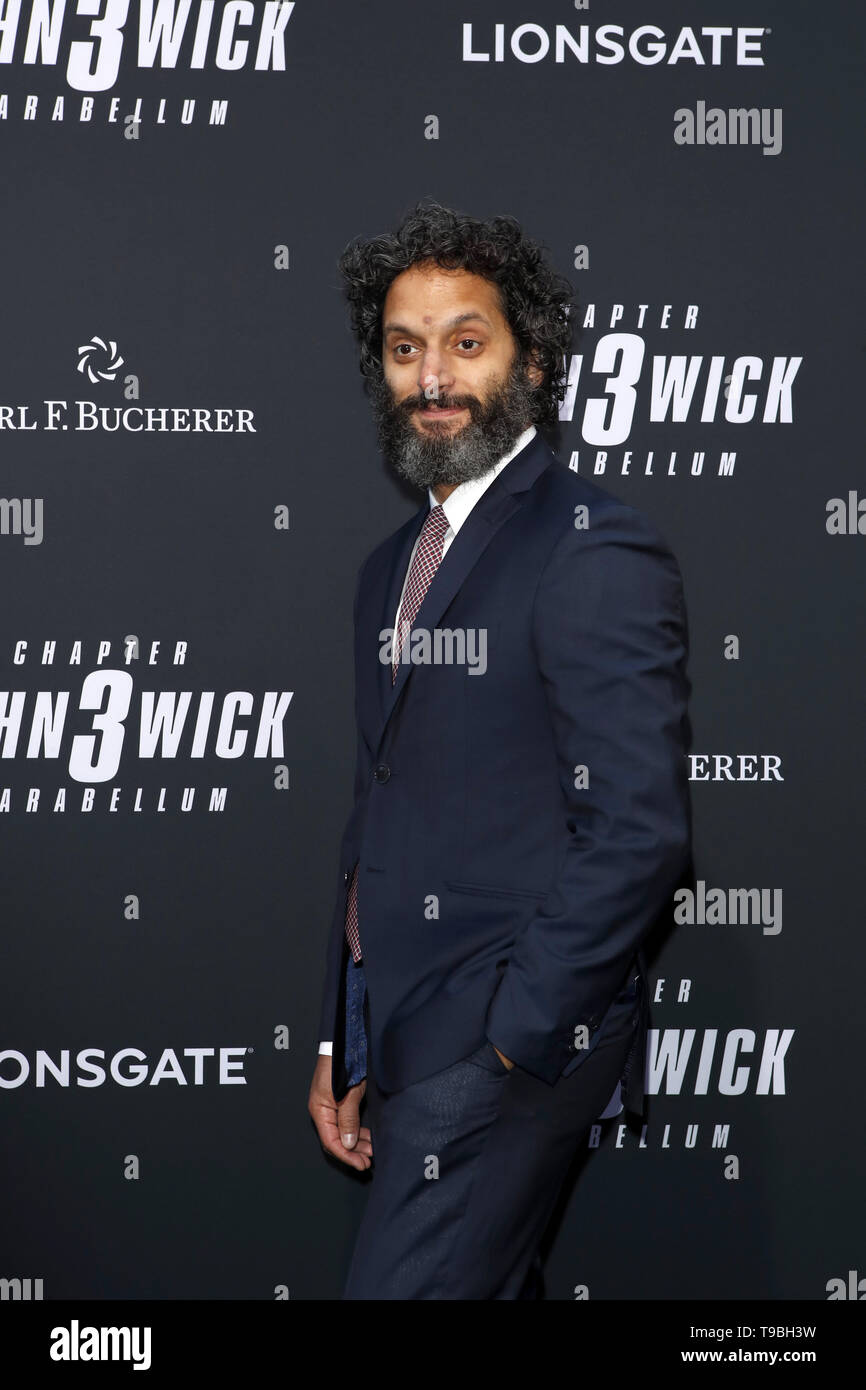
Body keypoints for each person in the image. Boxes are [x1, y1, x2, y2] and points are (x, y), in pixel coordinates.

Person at [307, 198, 693, 1299]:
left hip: (500, 1044)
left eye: (464, 343)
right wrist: (345, 1035)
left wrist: (516, 1036)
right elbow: (379, 811)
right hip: (409, 1030)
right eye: (403, 347)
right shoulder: (393, 564)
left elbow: (638, 829)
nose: (432, 376)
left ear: (531, 362)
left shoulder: (589, 544)